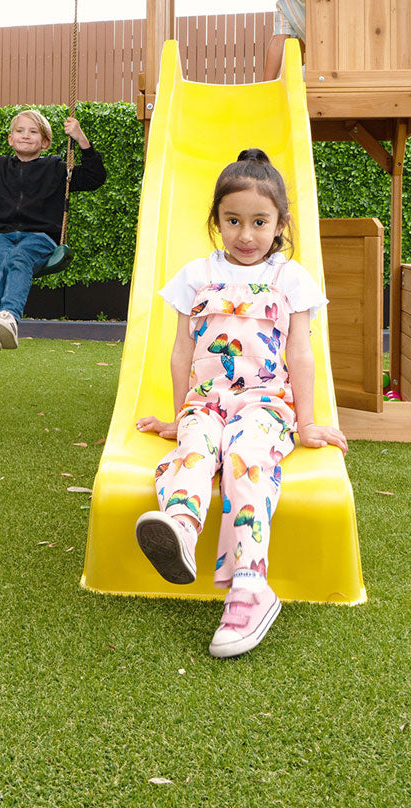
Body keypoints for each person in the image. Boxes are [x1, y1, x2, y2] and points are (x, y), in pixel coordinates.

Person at [133, 148, 346, 658]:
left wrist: (309, 422)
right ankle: (181, 530)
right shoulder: (196, 274)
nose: (245, 235)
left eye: (259, 222)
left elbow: (301, 351)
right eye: (233, 221)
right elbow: (183, 347)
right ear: (216, 221)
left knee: (246, 458)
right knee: (194, 452)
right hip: (207, 403)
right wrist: (181, 411)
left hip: (265, 405)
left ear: (280, 224)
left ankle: (252, 587)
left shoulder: (289, 278)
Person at [0, 108, 106, 359]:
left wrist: (81, 139)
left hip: (39, 237)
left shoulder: (56, 169)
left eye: (33, 132)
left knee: (19, 258)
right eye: (19, 131)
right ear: (10, 139)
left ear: (45, 142)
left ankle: (8, 317)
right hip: (1, 235)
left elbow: (94, 178)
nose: (25, 135)